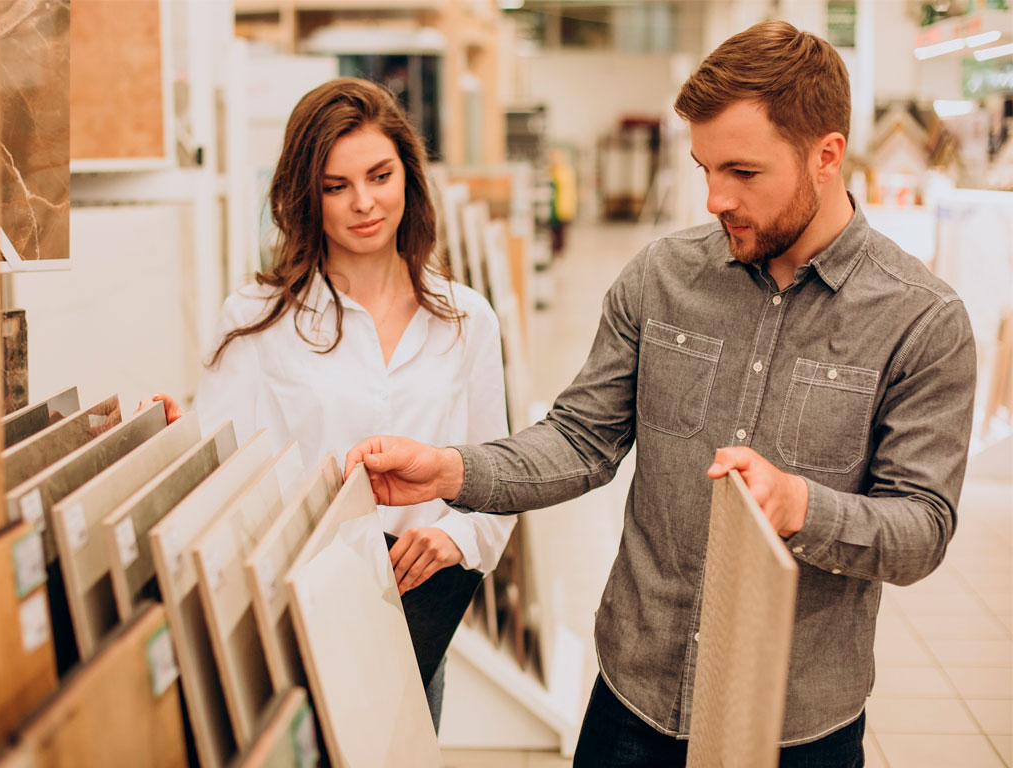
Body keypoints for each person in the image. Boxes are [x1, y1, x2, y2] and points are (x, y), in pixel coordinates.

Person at [345, 21, 977, 767]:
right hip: (632, 705)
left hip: (795, 725)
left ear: (826, 156)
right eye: (705, 168)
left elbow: (921, 528)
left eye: (742, 172)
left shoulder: (921, 321)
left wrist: (800, 506)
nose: (714, 198)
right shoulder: (662, 278)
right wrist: (452, 469)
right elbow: (582, 439)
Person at [143, 77, 514, 732]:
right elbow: (224, 476)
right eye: (336, 186)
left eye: (379, 175)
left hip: (415, 616)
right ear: (304, 196)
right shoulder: (257, 321)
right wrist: (175, 451)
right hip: (296, 617)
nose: (364, 203)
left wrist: (454, 536)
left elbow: (499, 477)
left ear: (409, 176)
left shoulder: (466, 320)